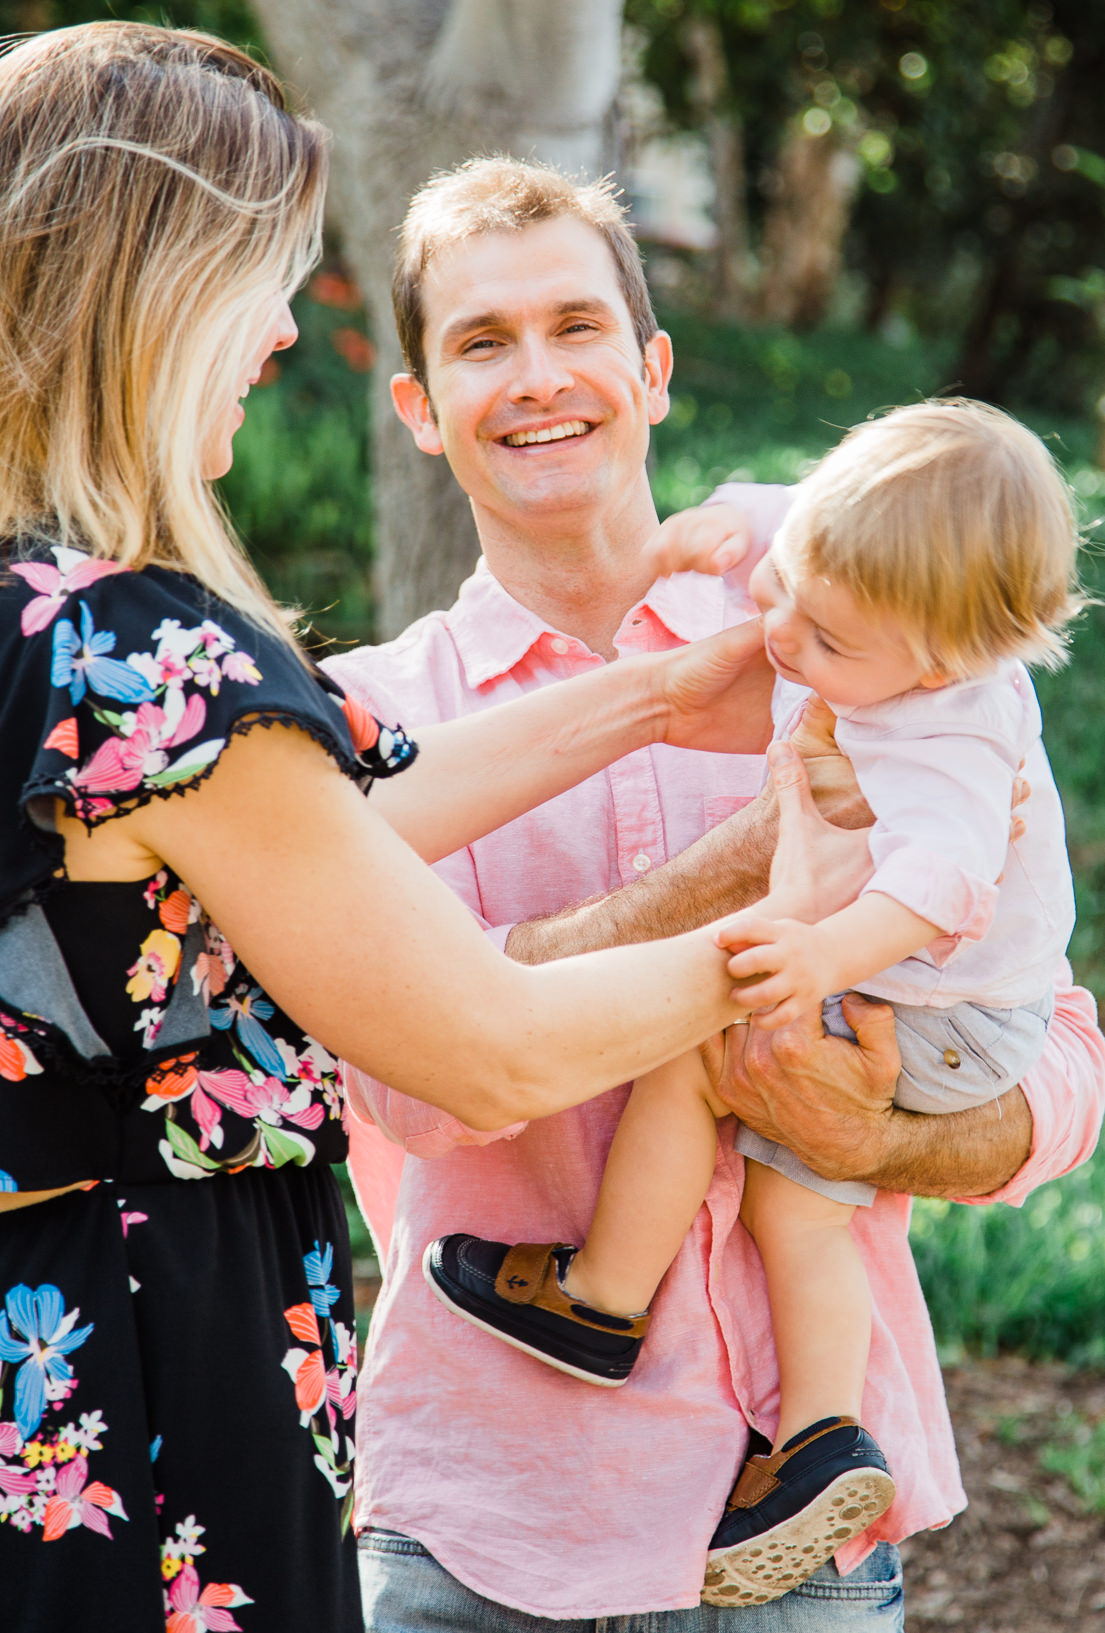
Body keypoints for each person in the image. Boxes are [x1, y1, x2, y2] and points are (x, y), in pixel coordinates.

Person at [0, 31, 827, 1633]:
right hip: (156, 1367)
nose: (272, 338)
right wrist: (820, 919)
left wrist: (666, 694)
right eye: (264, 285)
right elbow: (498, 1051)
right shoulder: (136, 645)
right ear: (156, 296)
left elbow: (334, 817)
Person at [321, 156, 1105, 1631]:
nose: (539, 376)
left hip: (790, 1528)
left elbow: (1050, 1038)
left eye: (576, 326)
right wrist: (746, 865)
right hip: (483, 1525)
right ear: (417, 406)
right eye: (482, 343)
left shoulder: (893, 649)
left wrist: (877, 1134)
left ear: (653, 368)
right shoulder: (369, 732)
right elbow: (407, 1088)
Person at [423, 398, 1080, 1605]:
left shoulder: (951, 731)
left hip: (945, 1004)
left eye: (821, 635)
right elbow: (781, 526)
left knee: (706, 1059)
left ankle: (601, 1300)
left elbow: (938, 888)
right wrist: (719, 530)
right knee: (797, 1205)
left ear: (935, 660)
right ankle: (819, 1438)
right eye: (782, 588)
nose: (775, 629)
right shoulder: (852, 569)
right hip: (485, 1511)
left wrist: (825, 961)